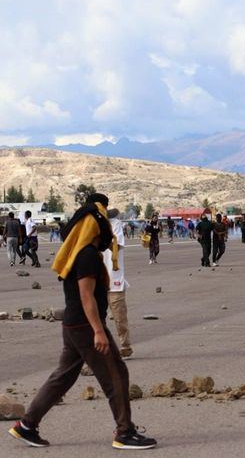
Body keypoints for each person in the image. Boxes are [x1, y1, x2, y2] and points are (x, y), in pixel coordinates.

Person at [9, 193, 156, 450]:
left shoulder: (79, 253)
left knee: (63, 376)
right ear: (96, 228)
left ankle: (27, 425)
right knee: (116, 374)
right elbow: (86, 297)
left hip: (73, 325)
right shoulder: (86, 255)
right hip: (85, 326)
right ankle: (125, 432)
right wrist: (98, 330)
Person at [103, 208, 133, 358]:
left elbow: (118, 244)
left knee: (119, 317)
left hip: (114, 279)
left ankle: (125, 345)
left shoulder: (115, 224)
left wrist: (103, 239)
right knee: (97, 318)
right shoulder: (92, 226)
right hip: (97, 280)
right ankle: (102, 348)